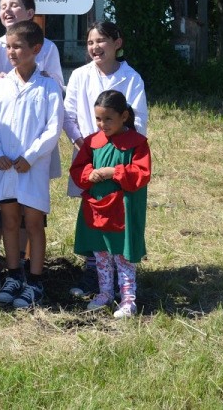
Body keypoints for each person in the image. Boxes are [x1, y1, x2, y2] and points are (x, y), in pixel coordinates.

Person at [0, 0, 65, 290]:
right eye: (9, 48)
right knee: (9, 221)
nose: (12, 52)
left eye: (18, 47)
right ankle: (13, 276)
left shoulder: (48, 85)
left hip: (32, 165)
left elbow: (52, 127)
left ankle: (35, 279)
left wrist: (30, 156)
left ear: (36, 48)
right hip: (3, 165)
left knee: (34, 222)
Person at [63, 20, 149, 297]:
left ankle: (122, 278)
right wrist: (85, 145)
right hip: (89, 154)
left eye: (101, 41)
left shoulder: (131, 77)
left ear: (117, 43)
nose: (95, 47)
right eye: (90, 42)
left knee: (116, 214)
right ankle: (94, 274)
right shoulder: (79, 75)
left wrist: (117, 152)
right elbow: (68, 115)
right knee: (91, 215)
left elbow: (139, 119)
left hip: (119, 160)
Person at [70, 89, 151, 318]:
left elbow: (141, 173)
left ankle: (128, 299)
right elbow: (78, 169)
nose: (102, 124)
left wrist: (113, 172)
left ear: (124, 117)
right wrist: (90, 174)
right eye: (98, 119)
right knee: (101, 253)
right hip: (98, 207)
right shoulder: (92, 142)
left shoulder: (137, 143)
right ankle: (105, 293)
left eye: (108, 119)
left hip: (122, 209)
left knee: (123, 255)